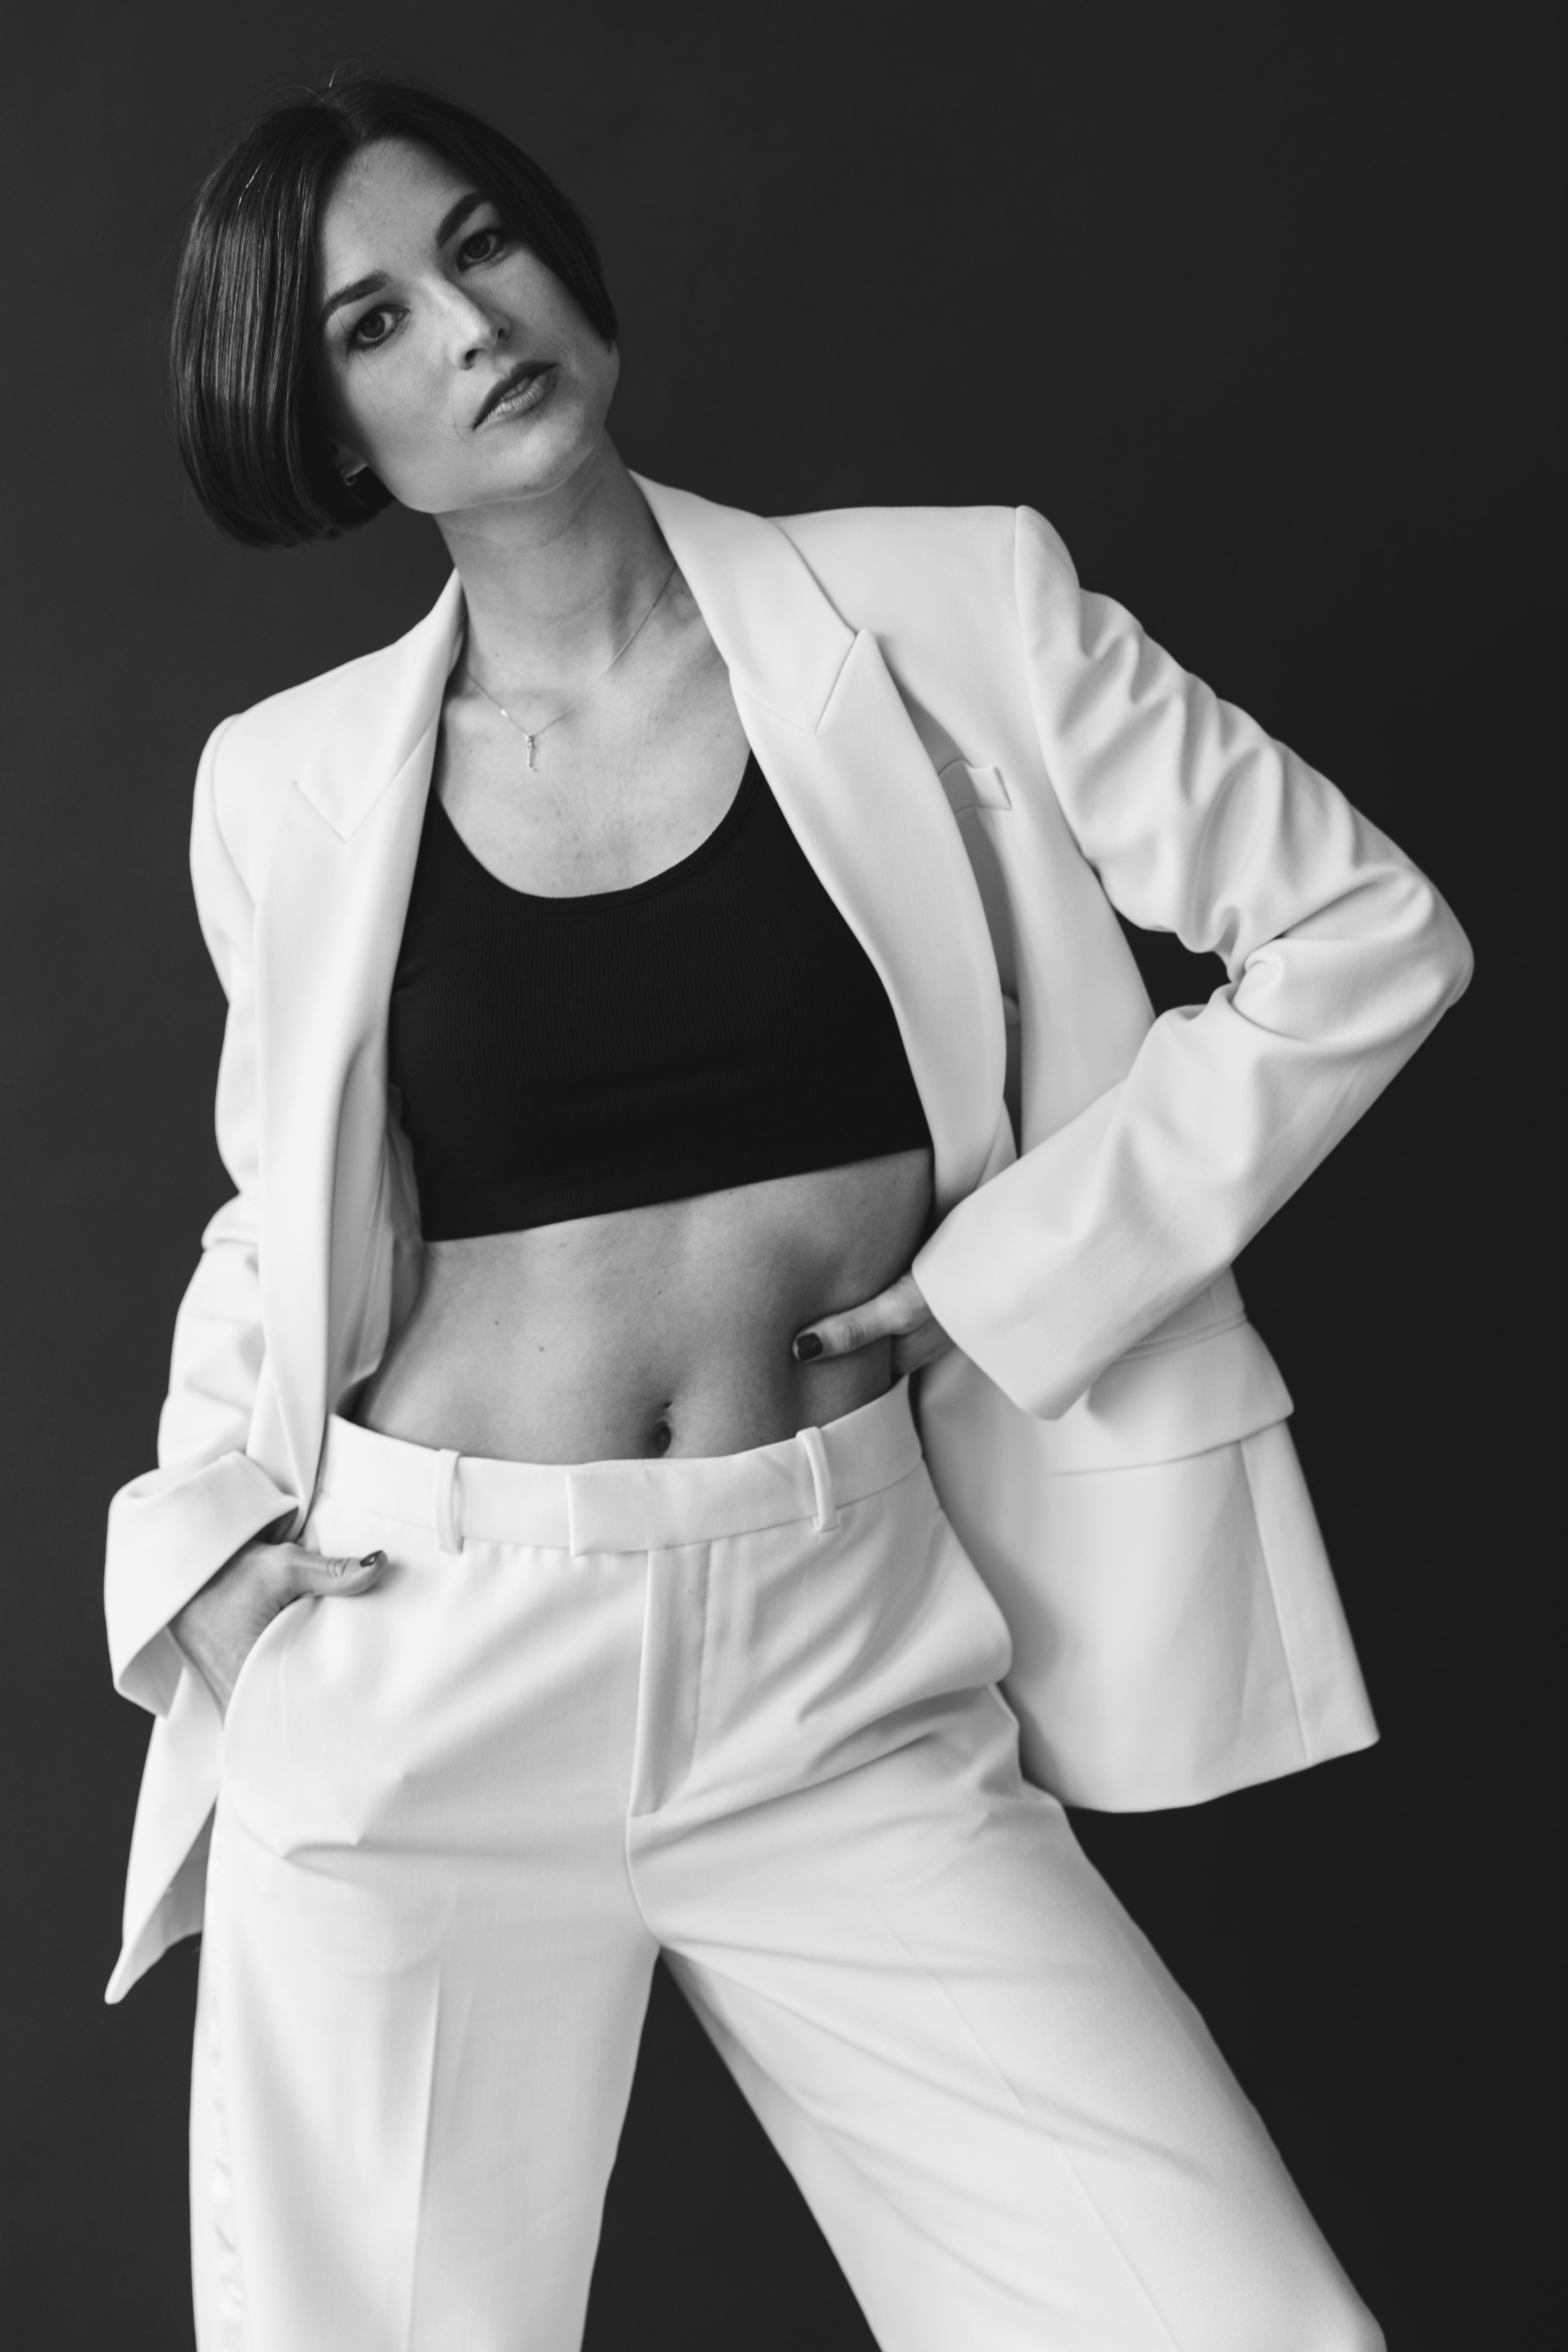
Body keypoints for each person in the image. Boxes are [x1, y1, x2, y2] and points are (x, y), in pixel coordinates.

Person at [104, 69, 1470, 2352]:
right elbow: (289, 1211)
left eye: (481, 246)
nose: (466, 324)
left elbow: (1364, 937)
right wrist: (213, 1541)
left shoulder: (955, 606)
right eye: (370, 322)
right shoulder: (291, 784)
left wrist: (1025, 1276)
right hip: (421, 1655)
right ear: (326, 429)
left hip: (834, 1649)